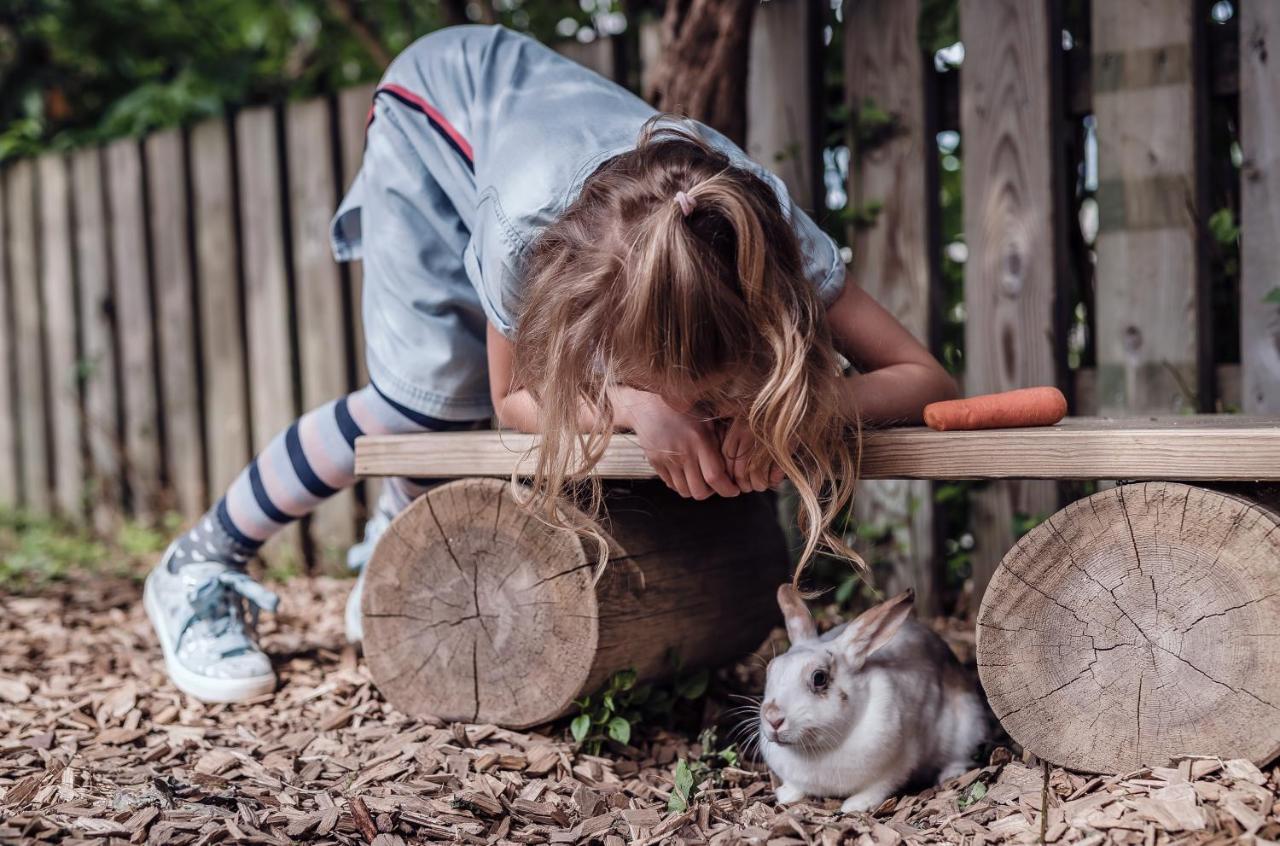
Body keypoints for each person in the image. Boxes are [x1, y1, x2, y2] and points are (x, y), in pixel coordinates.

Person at [144, 25, 958, 704]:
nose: (708, 416)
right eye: (680, 393)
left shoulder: (762, 232)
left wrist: (792, 414)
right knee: (423, 402)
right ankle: (201, 560)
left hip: (541, 131)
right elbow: (511, 400)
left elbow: (925, 378)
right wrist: (633, 409)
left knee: (444, 402)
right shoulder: (528, 240)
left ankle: (398, 524)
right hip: (436, 113)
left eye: (719, 396)